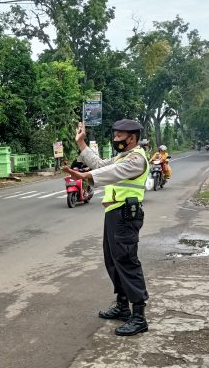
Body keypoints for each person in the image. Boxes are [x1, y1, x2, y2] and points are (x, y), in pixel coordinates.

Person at [64, 120, 150, 336]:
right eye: (115, 135)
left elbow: (110, 173)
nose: (115, 139)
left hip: (126, 215)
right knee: (113, 261)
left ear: (132, 138)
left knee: (127, 261)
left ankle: (139, 316)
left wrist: (86, 176)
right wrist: (81, 143)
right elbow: (101, 165)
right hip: (114, 213)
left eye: (119, 136)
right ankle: (122, 306)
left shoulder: (136, 159)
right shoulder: (122, 157)